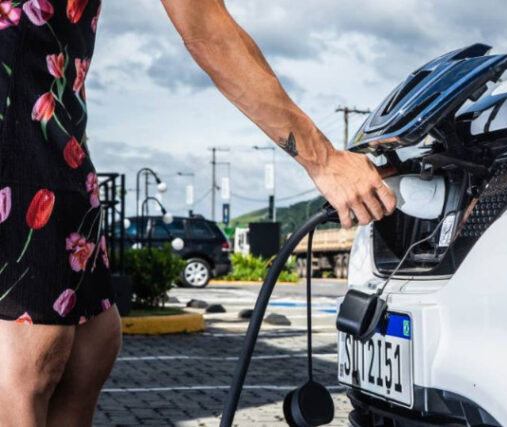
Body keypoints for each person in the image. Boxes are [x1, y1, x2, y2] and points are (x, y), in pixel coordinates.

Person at [0, 0, 395, 424]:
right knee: (29, 363)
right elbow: (206, 29)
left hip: (61, 141)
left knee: (91, 347)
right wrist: (323, 160)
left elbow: (212, 22)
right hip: (16, 139)